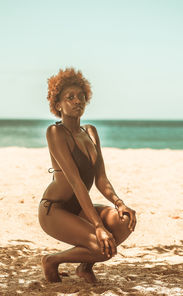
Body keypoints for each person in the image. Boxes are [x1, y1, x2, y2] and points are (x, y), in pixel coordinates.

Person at [38, 67, 136, 283]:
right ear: (58, 105)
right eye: (70, 97)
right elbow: (75, 182)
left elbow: (101, 179)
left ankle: (84, 267)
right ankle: (52, 261)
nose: (77, 101)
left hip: (80, 209)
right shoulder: (55, 132)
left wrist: (120, 204)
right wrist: (98, 226)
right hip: (54, 209)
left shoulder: (91, 132)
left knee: (124, 221)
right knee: (104, 248)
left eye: (81, 96)